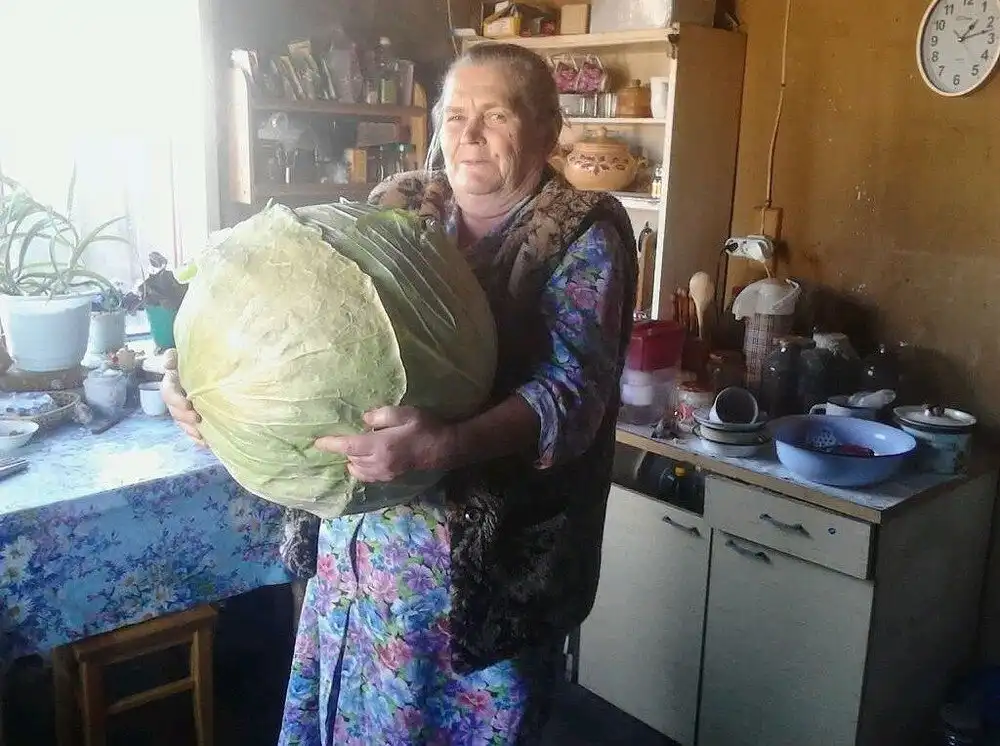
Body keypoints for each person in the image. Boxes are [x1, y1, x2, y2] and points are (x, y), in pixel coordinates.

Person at [163, 41, 637, 745]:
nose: (468, 134)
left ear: (547, 130)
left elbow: (574, 397)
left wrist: (449, 444)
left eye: (496, 115)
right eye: (455, 115)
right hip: (363, 546)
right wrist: (198, 375)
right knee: (351, 716)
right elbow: (298, 319)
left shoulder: (581, 231)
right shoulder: (402, 205)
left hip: (480, 574)